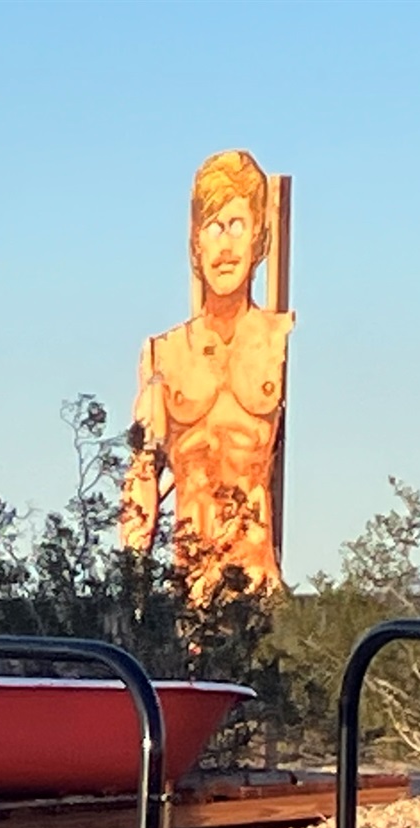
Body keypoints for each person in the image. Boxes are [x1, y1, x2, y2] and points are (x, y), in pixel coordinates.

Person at [119, 149, 292, 597]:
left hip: (255, 580)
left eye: (237, 225)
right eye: (214, 227)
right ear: (196, 241)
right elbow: (142, 479)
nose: (225, 245)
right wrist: (133, 584)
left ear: (259, 236)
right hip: (191, 585)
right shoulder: (164, 355)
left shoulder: (278, 339)